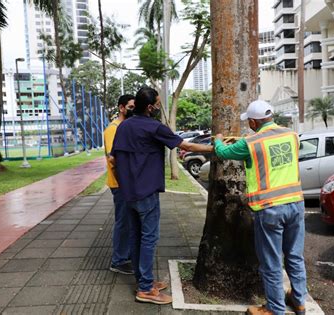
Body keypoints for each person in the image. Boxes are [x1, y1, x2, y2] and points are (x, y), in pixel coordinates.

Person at [110, 87, 213, 305]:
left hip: (127, 193)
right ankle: (146, 289)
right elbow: (185, 144)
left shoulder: (123, 126)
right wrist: (216, 146)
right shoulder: (153, 127)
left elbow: (113, 159)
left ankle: (143, 280)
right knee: (149, 238)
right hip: (146, 192)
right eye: (157, 104)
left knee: (136, 237)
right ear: (149, 107)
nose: (158, 107)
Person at [213, 100, 307, 315]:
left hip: (270, 208)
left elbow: (223, 153)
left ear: (254, 122)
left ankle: (275, 309)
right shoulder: (291, 135)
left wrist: (219, 140)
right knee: (294, 256)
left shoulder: (251, 142)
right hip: (295, 203)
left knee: (271, 262)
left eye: (250, 123)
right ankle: (300, 301)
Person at [104, 94, 135, 275]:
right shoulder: (113, 129)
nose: (132, 110)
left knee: (129, 222)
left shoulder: (124, 127)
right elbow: (113, 158)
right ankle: (118, 260)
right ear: (121, 108)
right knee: (122, 222)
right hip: (119, 183)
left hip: (126, 183)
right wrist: (124, 181)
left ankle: (126, 256)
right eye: (130, 107)